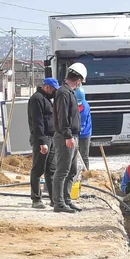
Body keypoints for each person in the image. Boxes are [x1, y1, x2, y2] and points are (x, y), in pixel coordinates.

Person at [52, 63, 87, 213]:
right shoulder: (63, 93)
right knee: (62, 171)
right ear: (78, 79)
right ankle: (59, 203)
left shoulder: (69, 92)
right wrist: (68, 135)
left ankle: (67, 200)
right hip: (65, 137)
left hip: (72, 136)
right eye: (81, 81)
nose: (80, 84)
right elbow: (63, 117)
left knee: (72, 171)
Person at [27, 78, 58, 209]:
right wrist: (42, 142)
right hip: (42, 139)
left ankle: (54, 199)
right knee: (38, 169)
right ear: (47, 87)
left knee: (51, 170)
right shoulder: (37, 99)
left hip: (51, 138)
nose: (54, 92)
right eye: (53, 89)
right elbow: (37, 122)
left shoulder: (47, 99)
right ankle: (36, 199)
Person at [75, 86, 93, 169]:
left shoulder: (85, 106)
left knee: (84, 155)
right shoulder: (74, 105)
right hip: (76, 132)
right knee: (73, 155)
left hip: (85, 133)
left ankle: (86, 172)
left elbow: (82, 122)